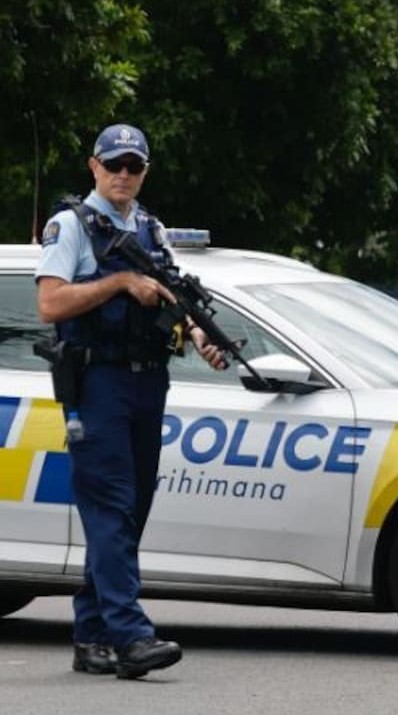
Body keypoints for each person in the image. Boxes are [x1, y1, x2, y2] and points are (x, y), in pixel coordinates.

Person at [34, 124, 227, 679]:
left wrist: (199, 335)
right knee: (112, 504)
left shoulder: (149, 227)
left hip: (147, 382)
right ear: (93, 165)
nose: (123, 174)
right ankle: (130, 636)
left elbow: (171, 295)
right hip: (98, 382)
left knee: (132, 507)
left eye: (133, 166)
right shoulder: (71, 226)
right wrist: (119, 283)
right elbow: (50, 304)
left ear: (145, 171)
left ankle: (92, 633)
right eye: (113, 164)